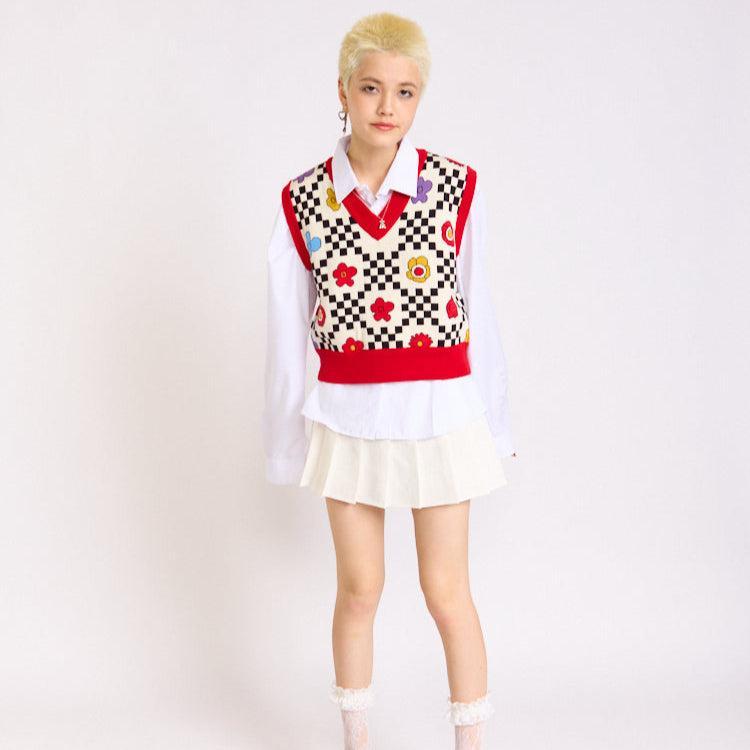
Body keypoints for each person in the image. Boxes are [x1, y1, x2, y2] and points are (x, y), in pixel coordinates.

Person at [262, 11, 516, 750]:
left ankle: (471, 744)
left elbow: (479, 310)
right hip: (348, 417)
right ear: (343, 90)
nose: (386, 107)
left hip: (440, 413)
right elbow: (287, 332)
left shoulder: (455, 187)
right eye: (371, 87)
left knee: (447, 593)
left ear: (419, 99)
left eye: (405, 92)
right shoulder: (303, 200)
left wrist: (494, 423)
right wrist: (287, 441)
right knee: (359, 589)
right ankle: (357, 739)